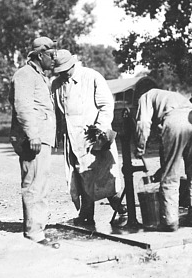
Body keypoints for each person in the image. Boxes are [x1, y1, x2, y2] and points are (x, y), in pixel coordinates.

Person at [51, 49, 126, 227]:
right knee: (80, 178)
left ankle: (122, 210)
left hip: (94, 139)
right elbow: (55, 113)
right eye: (59, 71)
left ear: (72, 64)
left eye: (65, 69)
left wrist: (100, 128)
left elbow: (106, 105)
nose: (62, 73)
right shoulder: (56, 85)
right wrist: (55, 136)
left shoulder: (91, 77)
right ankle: (86, 214)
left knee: (104, 176)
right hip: (72, 140)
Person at [8, 36, 59, 248]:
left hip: (41, 138)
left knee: (41, 183)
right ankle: (34, 233)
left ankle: (38, 227)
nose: (54, 59)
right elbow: (23, 107)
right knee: (34, 184)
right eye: (51, 55)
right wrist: (33, 135)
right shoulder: (25, 75)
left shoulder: (39, 76)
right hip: (34, 140)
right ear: (40, 56)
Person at [134, 88, 192, 231]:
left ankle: (170, 221)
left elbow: (143, 123)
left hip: (174, 121)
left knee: (170, 176)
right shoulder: (173, 95)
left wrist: (139, 148)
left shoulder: (145, 96)